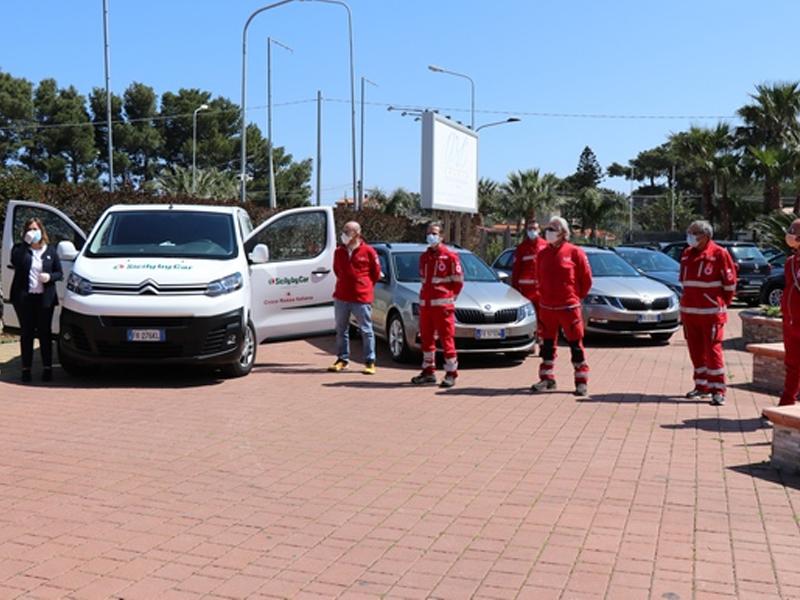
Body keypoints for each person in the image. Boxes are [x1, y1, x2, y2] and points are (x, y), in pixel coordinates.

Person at [530, 217, 592, 396]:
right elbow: (539, 278)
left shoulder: (575, 252)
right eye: (548, 227)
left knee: (575, 345)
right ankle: (547, 379)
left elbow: (586, 280)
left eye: (553, 228)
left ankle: (581, 381)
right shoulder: (542, 254)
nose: (548, 231)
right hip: (547, 309)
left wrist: (574, 297)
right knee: (547, 346)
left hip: (568, 308)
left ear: (563, 233)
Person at [679, 220, 737, 406]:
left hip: (711, 313)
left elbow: (730, 285)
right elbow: (685, 282)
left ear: (705, 236)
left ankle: (718, 390)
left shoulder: (719, 253)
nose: (690, 236)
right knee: (696, 352)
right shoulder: (687, 254)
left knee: (713, 351)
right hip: (690, 314)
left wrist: (720, 304)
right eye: (689, 232)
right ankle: (701, 386)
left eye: (694, 233)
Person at [10, 218, 63, 383]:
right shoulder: (20, 249)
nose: (33, 232)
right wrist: (25, 244)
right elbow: (16, 262)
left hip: (44, 299)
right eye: (29, 229)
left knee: (44, 333)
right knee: (26, 333)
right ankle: (26, 369)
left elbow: (59, 273)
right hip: (25, 298)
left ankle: (47, 368)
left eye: (35, 229)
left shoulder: (51, 251)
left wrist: (49, 277)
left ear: (41, 230)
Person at [411, 223, 463, 388]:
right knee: (426, 340)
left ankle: (451, 373)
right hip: (426, 306)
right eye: (428, 233)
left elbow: (458, 282)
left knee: (446, 340)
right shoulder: (424, 257)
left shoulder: (450, 257)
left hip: (443, 307)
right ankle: (428, 372)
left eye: (433, 233)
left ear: (441, 237)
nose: (430, 236)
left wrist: (449, 298)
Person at [328, 221, 382, 375]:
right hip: (342, 297)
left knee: (366, 330)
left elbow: (376, 273)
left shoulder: (369, 251)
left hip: (361, 298)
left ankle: (370, 361)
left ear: (357, 234)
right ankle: (342, 359)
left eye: (348, 231)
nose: (344, 233)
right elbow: (337, 270)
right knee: (341, 329)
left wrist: (364, 285)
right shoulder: (339, 252)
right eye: (344, 230)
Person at [510, 214, 547, 331]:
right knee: (528, 317)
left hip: (542, 290)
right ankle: (530, 336)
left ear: (539, 230)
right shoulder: (521, 248)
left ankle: (541, 337)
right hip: (526, 291)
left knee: (543, 316)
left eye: (534, 229)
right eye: (530, 229)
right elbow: (516, 271)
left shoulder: (545, 246)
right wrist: (516, 289)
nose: (532, 231)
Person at [780, 218, 800, 406]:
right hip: (791, 322)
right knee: (792, 364)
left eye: (794, 231)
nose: (790, 234)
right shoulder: (790, 262)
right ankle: (787, 402)